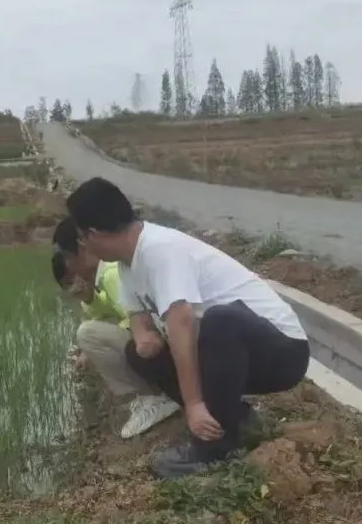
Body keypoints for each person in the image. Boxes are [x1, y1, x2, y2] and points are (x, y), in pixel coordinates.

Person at [64, 177, 311, 479]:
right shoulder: (129, 263)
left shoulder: (159, 250)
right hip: (230, 352)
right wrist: (144, 338)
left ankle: (215, 449)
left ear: (95, 233)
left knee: (218, 321)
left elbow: (182, 323)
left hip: (282, 351)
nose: (83, 246)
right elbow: (138, 317)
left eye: (81, 238)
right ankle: (237, 419)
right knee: (140, 353)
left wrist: (194, 404)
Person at [51, 218, 180, 439]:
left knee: (88, 333)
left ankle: (154, 398)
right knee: (90, 336)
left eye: (72, 268)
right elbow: (100, 313)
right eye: (68, 285)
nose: (74, 285)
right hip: (166, 339)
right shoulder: (99, 283)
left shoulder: (110, 275)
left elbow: (136, 317)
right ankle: (154, 396)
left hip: (164, 342)